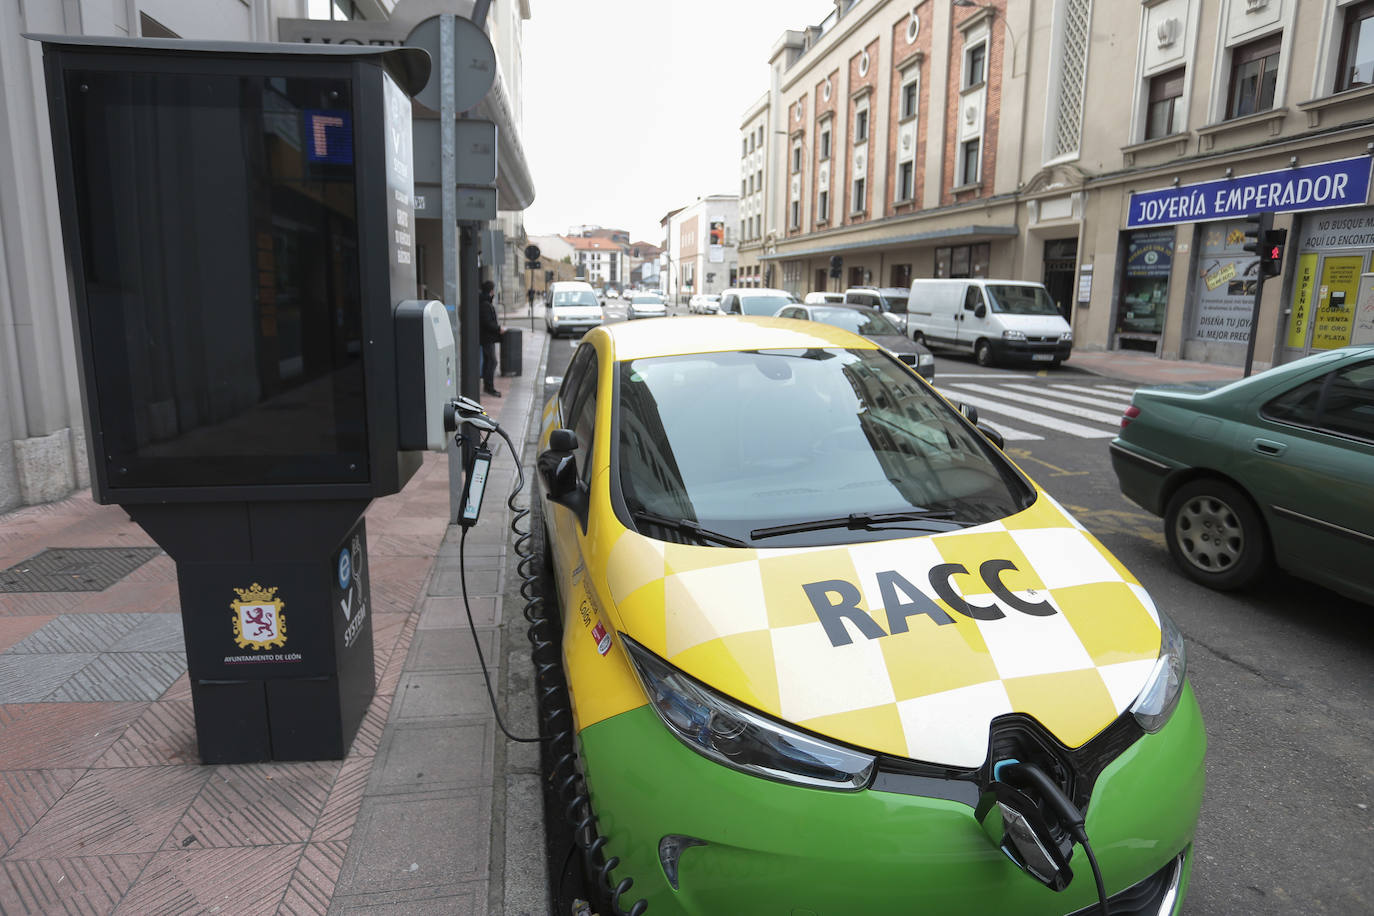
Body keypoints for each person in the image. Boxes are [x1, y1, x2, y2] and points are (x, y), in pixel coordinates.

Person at [479, 279, 502, 398]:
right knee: (492, 361)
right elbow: (488, 323)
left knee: (489, 361)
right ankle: (489, 387)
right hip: (487, 338)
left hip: (487, 338)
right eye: (493, 290)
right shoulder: (485, 304)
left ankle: (488, 386)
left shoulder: (485, 302)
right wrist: (499, 329)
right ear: (491, 291)